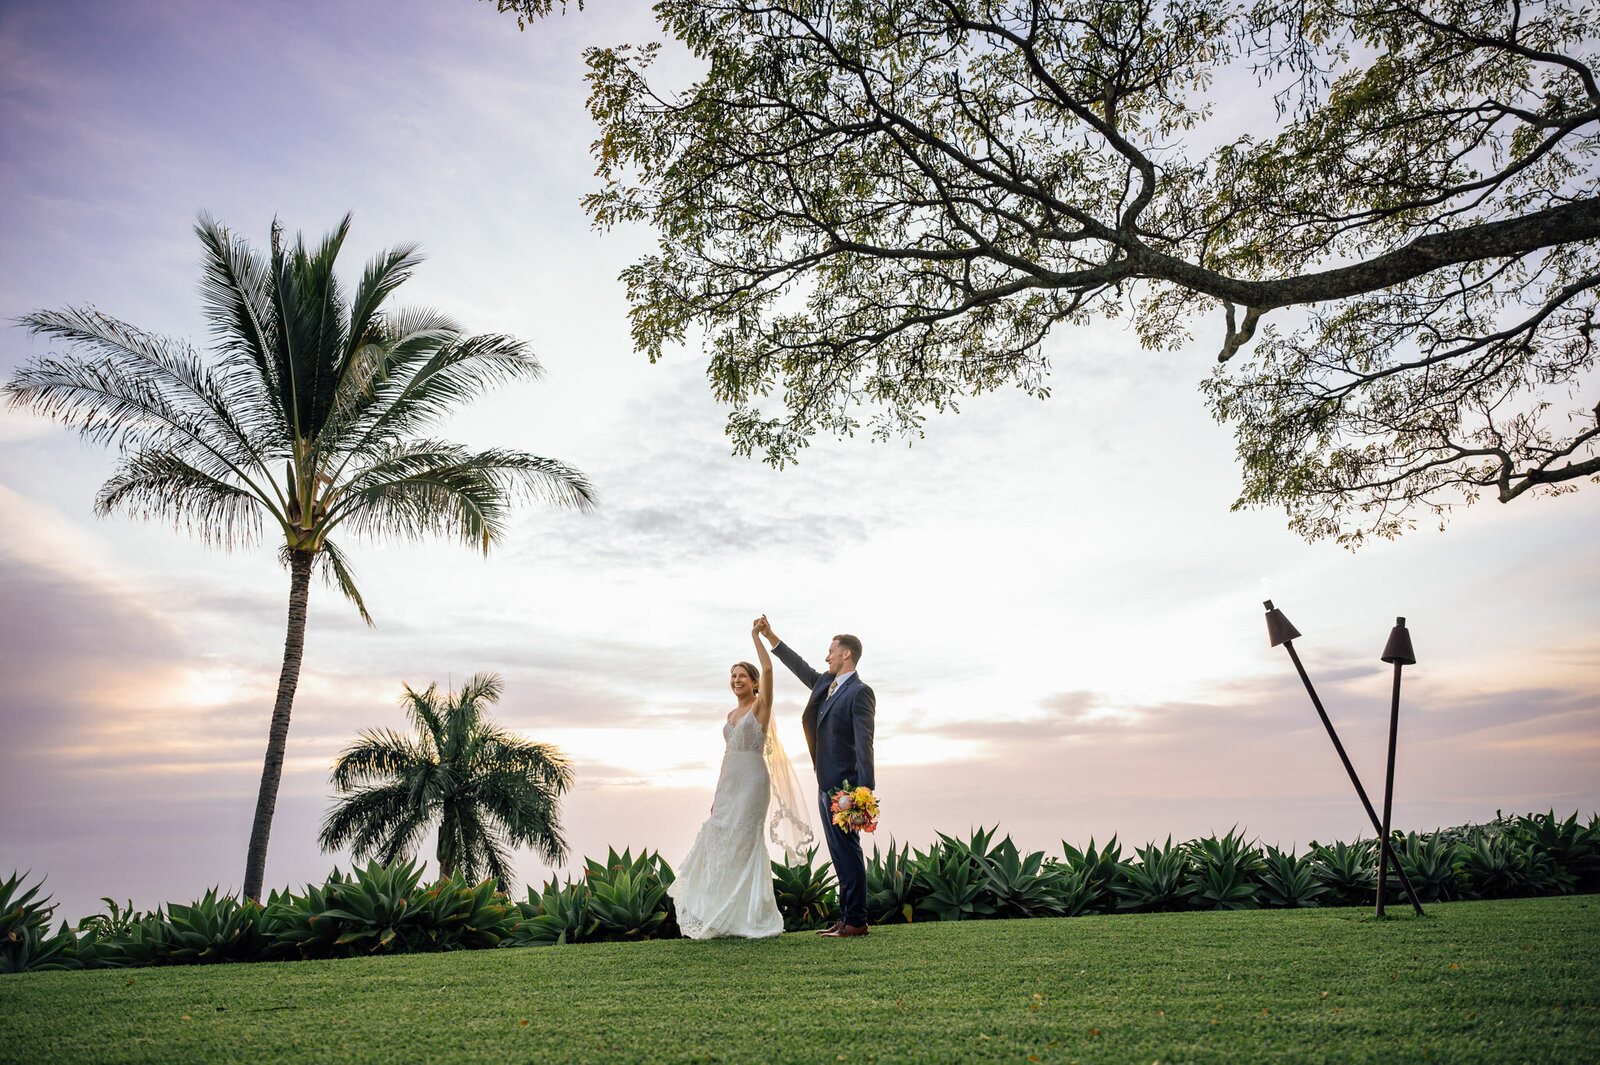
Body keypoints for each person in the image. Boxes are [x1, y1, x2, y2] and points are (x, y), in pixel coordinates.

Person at [667, 621, 811, 938]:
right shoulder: (729, 717)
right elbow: (727, 759)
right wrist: (717, 798)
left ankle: (752, 917)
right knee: (718, 839)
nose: (736, 680)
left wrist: (756, 638)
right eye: (732, 676)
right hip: (729, 785)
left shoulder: (761, 706)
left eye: (742, 675)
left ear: (754, 682)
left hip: (753, 783)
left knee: (745, 842)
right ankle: (720, 915)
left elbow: (770, 671)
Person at [756, 615, 875, 938]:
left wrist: (865, 795)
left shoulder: (860, 693)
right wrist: (771, 638)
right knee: (839, 854)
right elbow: (802, 668)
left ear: (846, 654)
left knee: (848, 852)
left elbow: (864, 744)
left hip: (847, 790)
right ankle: (847, 917)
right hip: (825, 784)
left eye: (831, 652)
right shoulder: (826, 684)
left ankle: (856, 922)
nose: (827, 657)